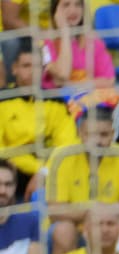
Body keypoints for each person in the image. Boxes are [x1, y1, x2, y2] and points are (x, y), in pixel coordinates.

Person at [45, 99, 119, 254]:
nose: (97, 141)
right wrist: (93, 210)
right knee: (63, 230)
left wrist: (102, 216)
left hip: (112, 227)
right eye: (90, 134)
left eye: (104, 135)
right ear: (80, 134)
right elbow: (55, 211)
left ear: (112, 134)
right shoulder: (61, 156)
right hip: (77, 230)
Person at [0, 44, 78, 192]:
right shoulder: (3, 100)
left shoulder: (56, 103)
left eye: (36, 66)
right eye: (26, 65)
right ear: (14, 68)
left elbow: (67, 145)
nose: (31, 72)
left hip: (52, 175)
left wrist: (44, 172)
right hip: (9, 172)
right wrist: (39, 169)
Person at [42, 0, 114, 93]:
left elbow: (109, 81)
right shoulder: (45, 44)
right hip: (57, 104)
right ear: (55, 11)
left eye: (78, 4)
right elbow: (62, 76)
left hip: (92, 103)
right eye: (66, 5)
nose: (73, 10)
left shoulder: (93, 41)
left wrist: (71, 85)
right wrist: (65, 32)